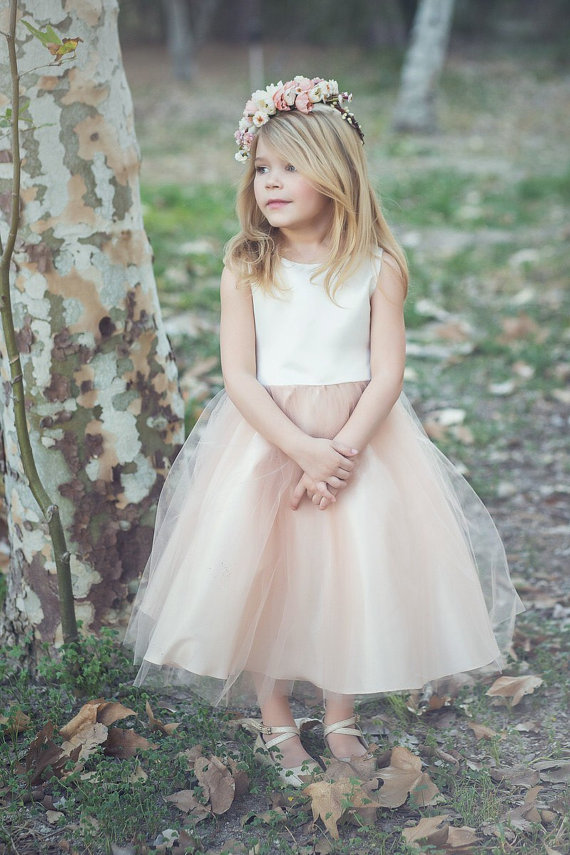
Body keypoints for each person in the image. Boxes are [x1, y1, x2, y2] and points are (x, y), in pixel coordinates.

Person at [125, 75, 523, 787]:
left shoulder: (377, 266)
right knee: (263, 572)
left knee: (350, 572)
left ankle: (339, 713)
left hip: (361, 441)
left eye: (290, 167)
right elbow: (240, 376)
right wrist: (302, 449)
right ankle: (275, 712)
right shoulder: (247, 263)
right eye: (261, 167)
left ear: (335, 173)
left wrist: (338, 453)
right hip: (268, 440)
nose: (270, 182)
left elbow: (387, 373)